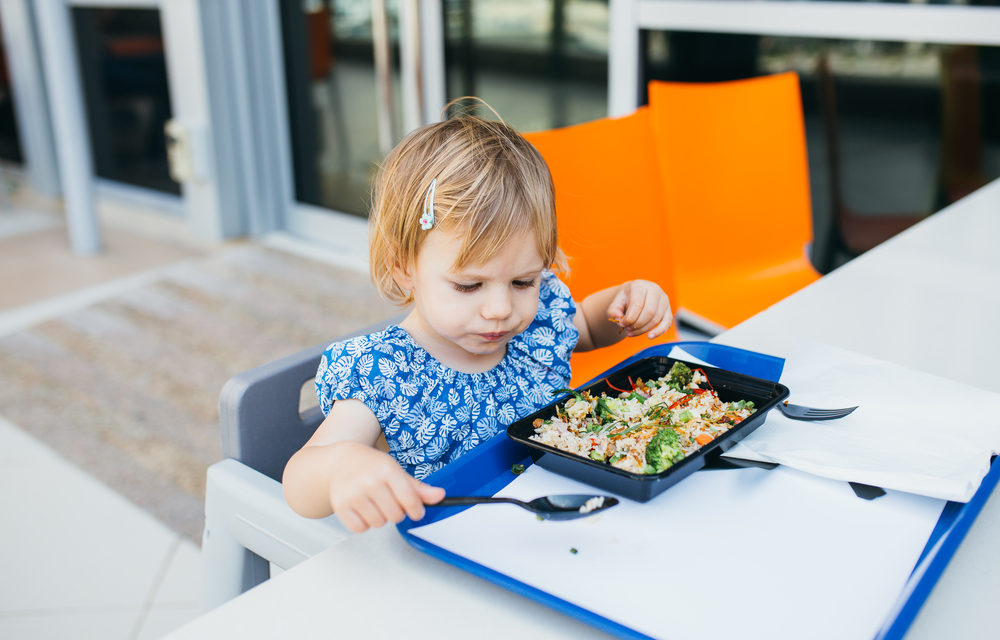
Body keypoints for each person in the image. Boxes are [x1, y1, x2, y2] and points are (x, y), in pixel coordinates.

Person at [283, 110, 672, 533]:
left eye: (523, 280)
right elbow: (300, 481)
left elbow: (590, 328)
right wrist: (340, 465)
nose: (501, 309)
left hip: (562, 520)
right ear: (403, 267)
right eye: (469, 286)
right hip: (452, 548)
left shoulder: (538, 321)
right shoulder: (385, 372)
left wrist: (624, 302)